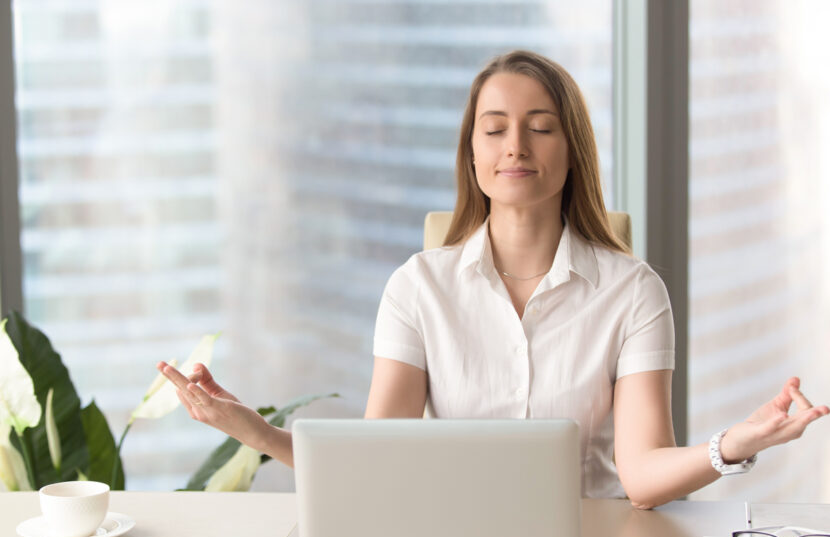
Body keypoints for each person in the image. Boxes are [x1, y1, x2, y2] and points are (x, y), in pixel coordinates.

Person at [157, 50, 827, 509]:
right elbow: (375, 458)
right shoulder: (417, 288)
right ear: (472, 154)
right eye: (495, 129)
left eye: (540, 128)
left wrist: (730, 447)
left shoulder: (635, 292)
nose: (516, 146)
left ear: (572, 153)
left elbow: (644, 475)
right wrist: (259, 433)